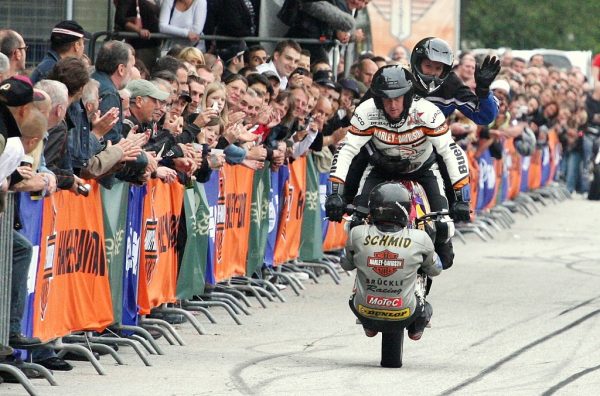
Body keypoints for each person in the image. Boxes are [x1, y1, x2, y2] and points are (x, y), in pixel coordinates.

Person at [326, 66, 470, 269]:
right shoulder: (366, 112)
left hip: (423, 169)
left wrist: (462, 198)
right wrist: (334, 193)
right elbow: (346, 149)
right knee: (355, 224)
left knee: (443, 228)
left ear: (409, 96)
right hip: (380, 169)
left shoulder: (428, 112)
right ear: (377, 99)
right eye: (386, 99)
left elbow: (450, 152)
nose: (392, 105)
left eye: (398, 98)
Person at [341, 182, 442, 340]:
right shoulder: (421, 238)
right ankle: (416, 329)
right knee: (425, 303)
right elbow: (436, 270)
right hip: (406, 312)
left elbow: (346, 264)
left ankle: (368, 326)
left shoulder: (357, 233)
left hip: (363, 309)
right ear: (406, 209)